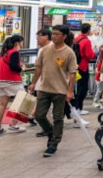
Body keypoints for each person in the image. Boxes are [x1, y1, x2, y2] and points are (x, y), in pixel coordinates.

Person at [28, 25, 77, 157]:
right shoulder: (44, 50)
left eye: (57, 34)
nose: (54, 36)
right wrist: (33, 83)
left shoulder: (69, 52)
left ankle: (53, 143)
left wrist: (70, 91)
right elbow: (38, 68)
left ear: (64, 36)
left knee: (57, 118)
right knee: (39, 115)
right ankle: (51, 132)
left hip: (60, 90)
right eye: (53, 34)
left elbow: (73, 73)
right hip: (44, 88)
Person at [0, 35, 26, 135]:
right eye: (22, 42)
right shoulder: (15, 52)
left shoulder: (3, 53)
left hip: (1, 80)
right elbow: (13, 66)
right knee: (24, 101)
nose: (22, 44)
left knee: (2, 103)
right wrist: (21, 69)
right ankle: (14, 124)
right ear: (17, 42)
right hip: (12, 80)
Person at [72, 23, 96, 116]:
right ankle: (79, 108)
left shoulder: (77, 39)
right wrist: (94, 54)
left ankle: (77, 107)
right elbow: (89, 55)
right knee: (83, 88)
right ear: (89, 30)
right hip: (83, 66)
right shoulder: (86, 41)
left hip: (76, 65)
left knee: (77, 87)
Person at [92, 39, 103, 108]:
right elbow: (98, 71)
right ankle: (95, 100)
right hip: (99, 78)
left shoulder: (101, 61)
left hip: (100, 78)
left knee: (100, 89)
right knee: (99, 90)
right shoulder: (101, 62)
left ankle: (99, 100)